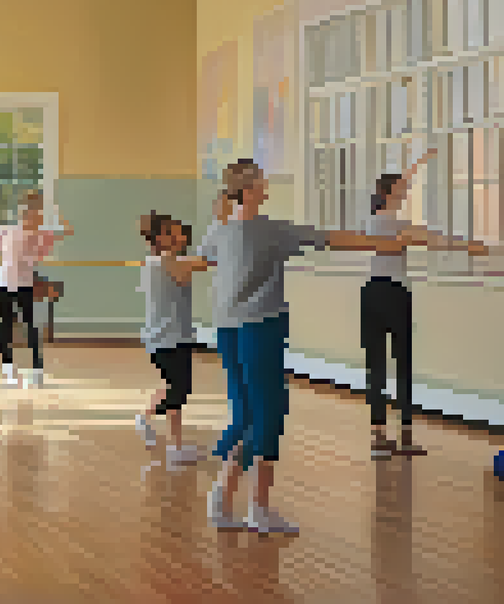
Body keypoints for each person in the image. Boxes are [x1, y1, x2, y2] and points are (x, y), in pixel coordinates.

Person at [199, 159, 414, 534]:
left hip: (226, 330)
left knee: (245, 413)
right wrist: (388, 243)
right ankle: (258, 509)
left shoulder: (220, 230)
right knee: (268, 414)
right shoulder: (271, 231)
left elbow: (204, 257)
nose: (267, 185)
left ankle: (222, 495)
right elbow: (332, 238)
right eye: (262, 181)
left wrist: (218, 217)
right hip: (260, 327)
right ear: (249, 190)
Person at [362, 147, 491, 459]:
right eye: (402, 190)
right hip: (394, 295)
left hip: (371, 295)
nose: (406, 192)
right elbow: (434, 238)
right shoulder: (397, 225)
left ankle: (380, 439)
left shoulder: (370, 222)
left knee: (376, 367)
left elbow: (402, 189)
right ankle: (403, 439)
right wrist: (469, 246)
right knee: (402, 365)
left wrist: (417, 163)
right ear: (391, 193)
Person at [135, 212, 209, 467]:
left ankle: (176, 447)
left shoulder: (161, 260)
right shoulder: (167, 261)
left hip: (171, 337)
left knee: (174, 388)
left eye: (179, 231)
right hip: (168, 338)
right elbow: (206, 263)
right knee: (179, 390)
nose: (179, 236)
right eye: (171, 233)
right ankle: (145, 416)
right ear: (159, 238)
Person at [0, 190, 72, 389]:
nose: (32, 216)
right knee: (6, 327)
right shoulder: (7, 231)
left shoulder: (42, 235)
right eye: (29, 212)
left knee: (31, 326)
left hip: (25, 284)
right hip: (2, 284)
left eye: (37, 213)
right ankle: (8, 368)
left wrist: (53, 212)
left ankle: (37, 368)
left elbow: (67, 230)